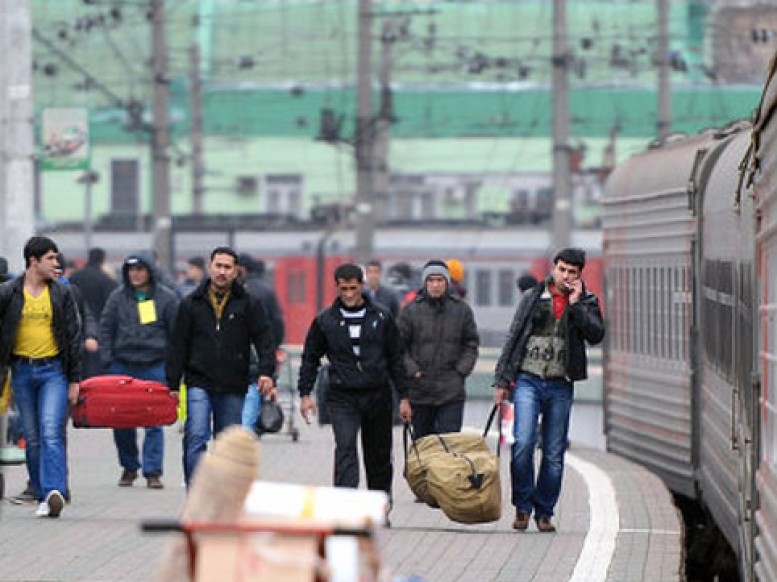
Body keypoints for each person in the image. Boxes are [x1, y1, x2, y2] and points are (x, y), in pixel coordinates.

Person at [493, 248, 604, 533]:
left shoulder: (586, 301)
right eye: (562, 269)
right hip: (528, 379)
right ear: (554, 268)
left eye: (572, 272)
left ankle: (544, 512)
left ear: (579, 276)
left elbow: (596, 335)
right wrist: (502, 381)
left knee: (554, 453)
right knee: (523, 444)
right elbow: (514, 336)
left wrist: (578, 305)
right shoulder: (532, 298)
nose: (566, 276)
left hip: (560, 383)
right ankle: (522, 506)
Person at [297, 263, 410, 508]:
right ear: (336, 287)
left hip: (377, 393)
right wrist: (305, 393)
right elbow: (310, 357)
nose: (348, 294)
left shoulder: (381, 317)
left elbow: (396, 358)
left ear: (362, 285)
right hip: (342, 395)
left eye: (353, 288)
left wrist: (404, 396)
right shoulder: (326, 320)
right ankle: (346, 506)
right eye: (343, 289)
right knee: (346, 448)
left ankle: (379, 505)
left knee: (378, 453)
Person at [166, 246, 276, 486]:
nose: (222, 272)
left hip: (234, 383)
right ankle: (196, 493)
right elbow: (178, 345)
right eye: (218, 266)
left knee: (227, 444)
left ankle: (222, 498)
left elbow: (264, 339)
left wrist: (267, 372)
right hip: (198, 381)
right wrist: (172, 384)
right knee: (195, 435)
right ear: (210, 267)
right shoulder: (191, 304)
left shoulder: (248, 303)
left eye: (228, 267)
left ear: (236, 272)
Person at [0, 236, 82, 518]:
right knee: (31, 438)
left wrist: (74, 380)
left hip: (53, 372)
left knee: (51, 431)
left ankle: (54, 491)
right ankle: (40, 492)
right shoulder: (9, 292)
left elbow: (73, 337)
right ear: (33, 261)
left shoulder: (61, 293)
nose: (56, 264)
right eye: (50, 258)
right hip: (21, 371)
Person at [99, 253, 179, 489]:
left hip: (155, 364)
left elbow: (176, 333)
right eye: (131, 270)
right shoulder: (117, 298)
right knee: (121, 418)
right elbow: (106, 328)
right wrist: (107, 360)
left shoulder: (166, 298)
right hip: (122, 365)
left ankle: (153, 471)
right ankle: (129, 466)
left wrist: (174, 366)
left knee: (154, 419)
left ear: (150, 271)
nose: (135, 274)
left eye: (140, 270)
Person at [398, 260, 479, 438]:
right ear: (425, 282)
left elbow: (471, 344)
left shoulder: (461, 311)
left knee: (449, 445)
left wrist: (460, 371)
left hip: (451, 391)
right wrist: (413, 371)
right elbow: (399, 347)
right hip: (420, 391)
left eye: (440, 280)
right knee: (423, 445)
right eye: (431, 280)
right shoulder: (410, 311)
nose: (435, 285)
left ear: (447, 282)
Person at [236, 253, 285, 432]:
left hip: (237, 366)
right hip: (259, 361)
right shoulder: (267, 291)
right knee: (250, 413)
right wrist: (273, 348)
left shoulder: (241, 295)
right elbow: (278, 324)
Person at [70, 247, 117, 378]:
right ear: (102, 260)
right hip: (99, 327)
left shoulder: (75, 277)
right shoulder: (105, 280)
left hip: (77, 325)